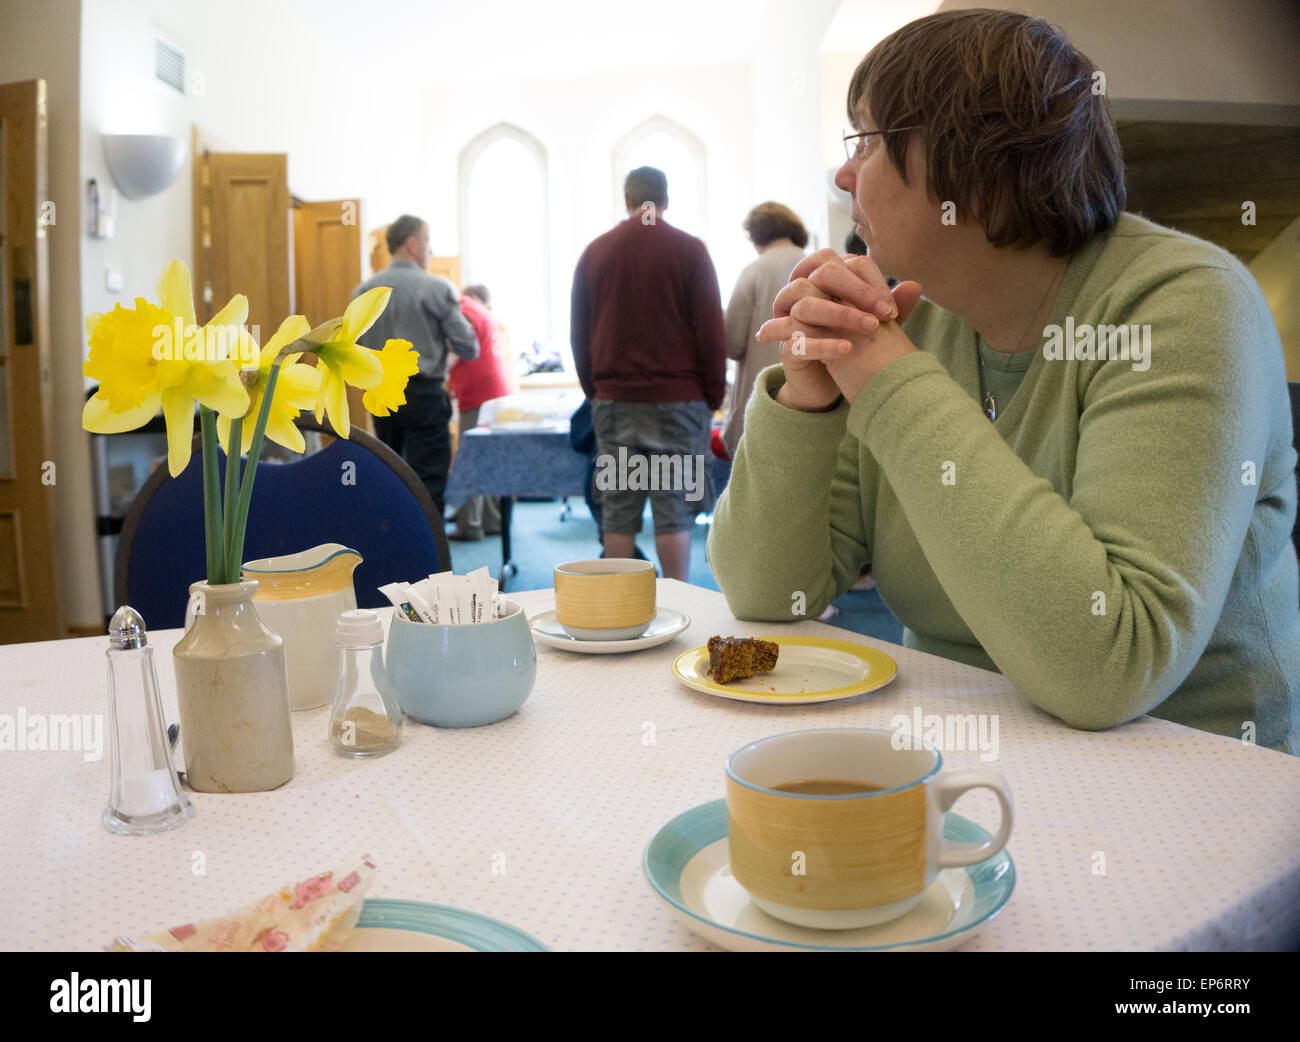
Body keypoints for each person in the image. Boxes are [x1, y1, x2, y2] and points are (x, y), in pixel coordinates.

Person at [708, 9, 1299, 754]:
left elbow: (1107, 662)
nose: (843, 173)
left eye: (866, 140)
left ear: (976, 166)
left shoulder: (1187, 303)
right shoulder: (915, 317)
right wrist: (806, 399)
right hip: (957, 753)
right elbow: (767, 594)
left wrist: (887, 378)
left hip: (1185, 781)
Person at [571, 166, 727, 582]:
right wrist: (711, 395)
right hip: (680, 399)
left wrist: (596, 390)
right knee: (674, 507)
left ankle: (617, 605)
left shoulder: (596, 252)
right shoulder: (690, 250)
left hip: (614, 400)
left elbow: (579, 333)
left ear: (626, 201)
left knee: (618, 511)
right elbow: (712, 331)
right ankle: (681, 600)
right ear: (666, 200)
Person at [351, 215, 478, 515]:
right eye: (428, 241)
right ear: (413, 243)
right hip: (423, 396)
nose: (430, 250)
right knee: (428, 483)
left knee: (390, 476)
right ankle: (432, 559)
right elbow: (469, 346)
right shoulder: (436, 288)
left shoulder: (362, 292)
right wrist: (443, 357)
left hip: (381, 395)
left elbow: (355, 349)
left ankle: (397, 550)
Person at [721, 203, 808, 458]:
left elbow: (732, 343)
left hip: (762, 402)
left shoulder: (753, 271)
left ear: (757, 235)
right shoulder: (818, 265)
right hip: (813, 401)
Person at [446, 284, 511, 541]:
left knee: (470, 459)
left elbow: (459, 346)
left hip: (479, 396)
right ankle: (492, 520)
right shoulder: (486, 313)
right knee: (490, 460)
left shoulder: (464, 308)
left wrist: (436, 371)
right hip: (495, 393)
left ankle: (470, 526)